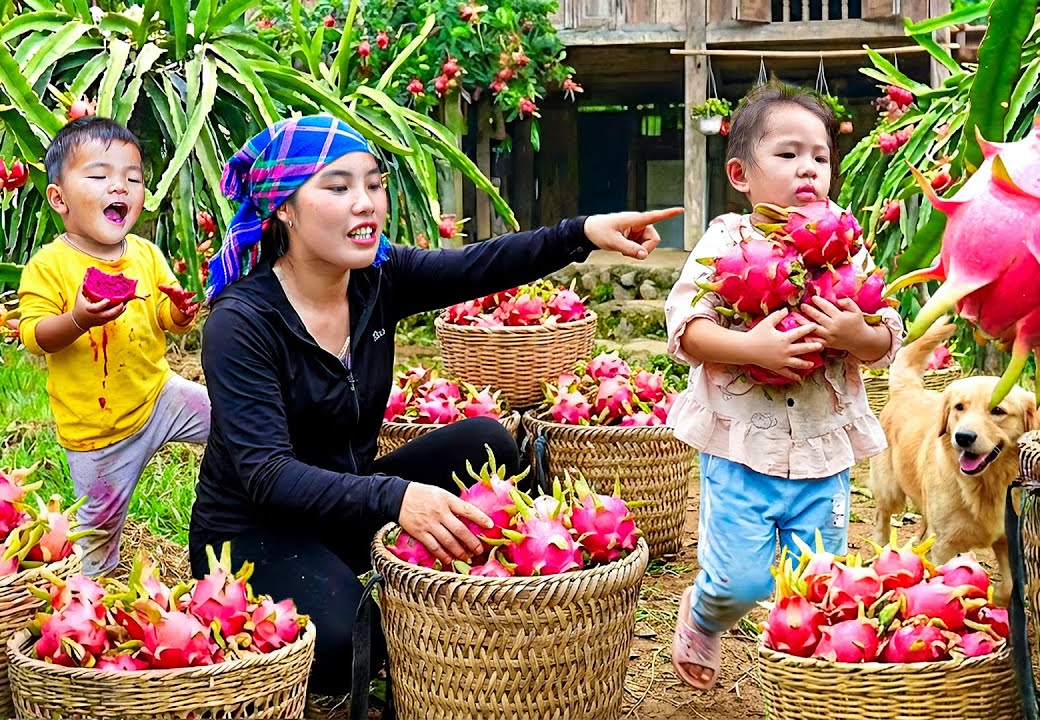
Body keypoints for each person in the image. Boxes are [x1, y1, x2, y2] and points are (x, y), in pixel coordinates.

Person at [190, 113, 681, 693]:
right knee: (358, 640)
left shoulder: (378, 277)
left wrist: (583, 232)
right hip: (254, 534)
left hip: (346, 508)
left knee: (488, 443)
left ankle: (477, 580)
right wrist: (396, 496)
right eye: (338, 186)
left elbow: (482, 264)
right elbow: (266, 475)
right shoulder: (242, 322)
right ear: (284, 209)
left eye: (373, 184)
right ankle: (353, 590)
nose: (365, 203)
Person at [662, 82, 904, 690]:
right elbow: (685, 328)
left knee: (818, 581)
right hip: (744, 450)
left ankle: (811, 689)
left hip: (824, 453)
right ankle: (702, 614)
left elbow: (886, 338)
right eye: (789, 154)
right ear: (741, 173)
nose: (809, 170)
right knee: (742, 582)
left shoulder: (847, 250)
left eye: (820, 157)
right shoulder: (726, 242)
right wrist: (750, 347)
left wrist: (856, 333)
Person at [17, 117, 209, 578]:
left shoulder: (145, 254)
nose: (119, 186)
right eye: (100, 176)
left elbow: (163, 315)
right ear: (59, 198)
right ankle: (93, 594)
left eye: (132, 178)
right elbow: (35, 335)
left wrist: (179, 314)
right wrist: (79, 318)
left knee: (235, 418)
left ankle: (247, 496)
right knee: (98, 535)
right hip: (97, 434)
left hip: (159, 395)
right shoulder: (50, 265)